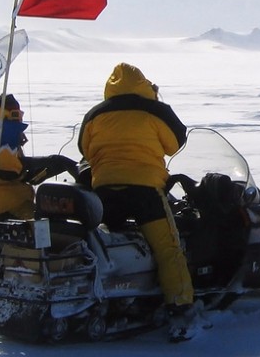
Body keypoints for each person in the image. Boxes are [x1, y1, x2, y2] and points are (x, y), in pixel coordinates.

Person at [78, 63, 197, 342]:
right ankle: (180, 306)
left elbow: (84, 149)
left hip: (104, 189)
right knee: (169, 248)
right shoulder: (155, 109)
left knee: (109, 244)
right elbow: (176, 143)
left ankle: (114, 294)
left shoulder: (95, 113)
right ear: (144, 83)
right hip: (145, 190)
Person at [0, 94, 77, 220]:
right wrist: (50, 160)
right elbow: (8, 171)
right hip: (0, 202)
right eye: (15, 114)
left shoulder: (3, 138)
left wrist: (47, 171)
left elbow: (18, 173)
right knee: (47, 225)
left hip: (10, 198)